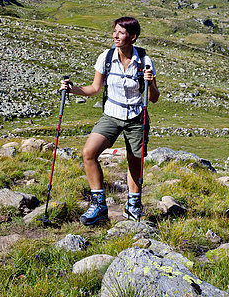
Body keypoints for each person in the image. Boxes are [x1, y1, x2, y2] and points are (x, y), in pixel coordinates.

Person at [61, 16, 159, 225]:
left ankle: (132, 206)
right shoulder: (105, 57)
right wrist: (72, 89)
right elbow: (95, 89)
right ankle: (99, 205)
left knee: (135, 160)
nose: (115, 36)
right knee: (89, 152)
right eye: (114, 31)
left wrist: (150, 84)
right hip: (111, 114)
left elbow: (154, 98)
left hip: (136, 117)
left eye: (121, 32)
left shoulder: (145, 61)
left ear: (133, 37)